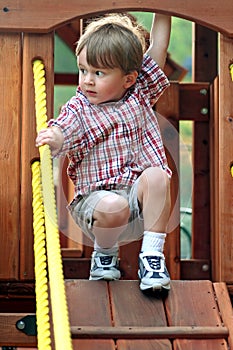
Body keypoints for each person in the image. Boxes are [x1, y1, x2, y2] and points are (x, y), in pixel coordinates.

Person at [36, 13, 172, 292]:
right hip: (97, 206)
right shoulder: (81, 107)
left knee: (159, 176)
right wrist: (55, 136)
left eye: (98, 73)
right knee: (113, 206)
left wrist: (165, 10)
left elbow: (157, 47)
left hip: (137, 203)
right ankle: (104, 255)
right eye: (83, 70)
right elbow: (66, 128)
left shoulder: (140, 91)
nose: (87, 80)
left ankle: (152, 257)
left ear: (129, 79)